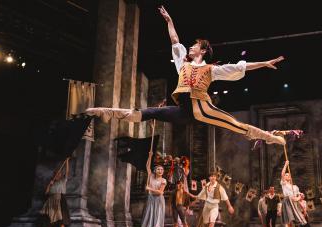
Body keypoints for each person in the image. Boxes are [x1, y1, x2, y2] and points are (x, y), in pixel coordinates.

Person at [85, 6, 286, 146]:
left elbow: (239, 67)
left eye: (194, 45)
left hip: (204, 108)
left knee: (237, 126)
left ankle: (270, 137)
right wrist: (170, 21)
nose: (190, 46)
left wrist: (264, 63)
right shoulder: (183, 65)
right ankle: (106, 112)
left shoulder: (211, 70)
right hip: (184, 112)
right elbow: (174, 40)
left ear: (203, 51)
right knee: (149, 112)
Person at [39, 159, 71, 227]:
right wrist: (49, 185)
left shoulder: (62, 181)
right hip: (50, 202)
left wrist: (67, 162)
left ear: (60, 176)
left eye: (59, 174)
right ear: (54, 175)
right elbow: (46, 193)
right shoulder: (52, 183)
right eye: (56, 174)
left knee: (61, 219)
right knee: (47, 220)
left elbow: (67, 172)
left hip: (59, 199)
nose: (57, 175)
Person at [141, 152, 167, 227]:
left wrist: (149, 188)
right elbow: (147, 167)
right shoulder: (151, 176)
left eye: (162, 169)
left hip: (159, 201)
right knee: (150, 224)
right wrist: (150, 156)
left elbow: (160, 192)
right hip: (151, 199)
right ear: (155, 171)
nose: (160, 171)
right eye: (158, 169)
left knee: (157, 225)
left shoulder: (163, 180)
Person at [280, 161, 306, 227]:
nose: (286, 176)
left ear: (290, 177)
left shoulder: (295, 187)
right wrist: (285, 165)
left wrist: (301, 196)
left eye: (288, 175)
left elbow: (299, 196)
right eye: (286, 175)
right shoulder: (284, 184)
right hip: (287, 202)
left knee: (293, 222)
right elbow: (282, 174)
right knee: (289, 221)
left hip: (294, 203)